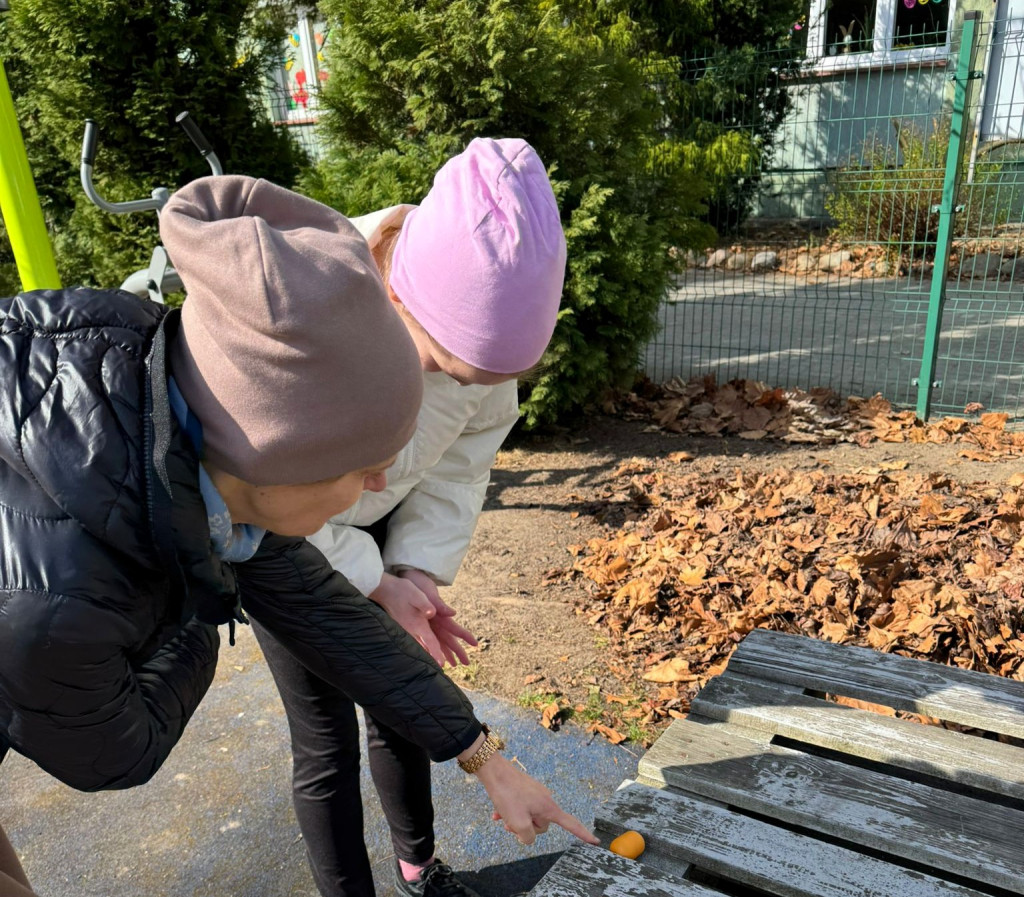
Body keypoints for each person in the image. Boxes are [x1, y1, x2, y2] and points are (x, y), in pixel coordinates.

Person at [0, 175, 594, 897]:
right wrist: (206, 592)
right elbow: (118, 750)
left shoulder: (205, 461)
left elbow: (314, 603)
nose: (380, 488)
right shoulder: (56, 606)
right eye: (365, 469)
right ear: (284, 457)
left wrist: (484, 756)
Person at [272, 137, 569, 897]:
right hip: (283, 542)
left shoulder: (481, 354)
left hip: (381, 531)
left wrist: (410, 572)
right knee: (324, 743)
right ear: (398, 295)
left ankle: (417, 865)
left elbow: (461, 469)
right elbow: (267, 504)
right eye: (445, 367)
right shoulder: (300, 313)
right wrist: (368, 579)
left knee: (399, 707)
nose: (468, 388)